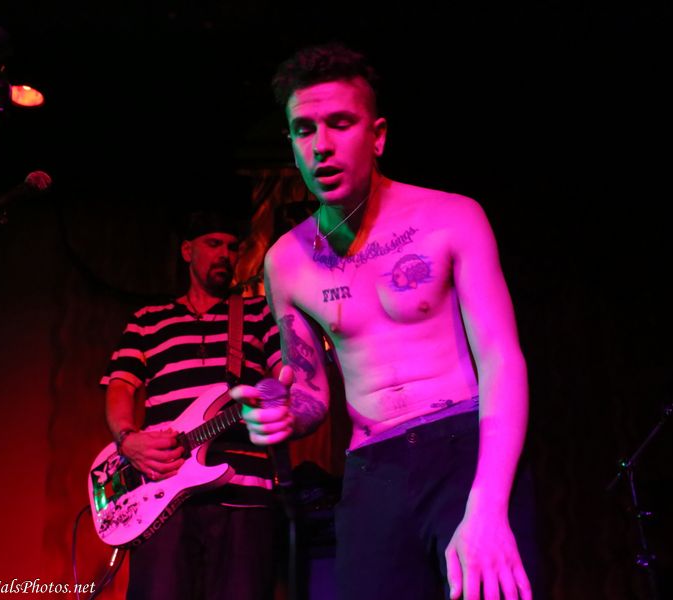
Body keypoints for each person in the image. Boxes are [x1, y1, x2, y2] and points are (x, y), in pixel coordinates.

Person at [231, 43, 541, 600]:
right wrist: (280, 413)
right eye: (304, 130)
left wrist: (488, 506)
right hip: (373, 469)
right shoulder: (285, 262)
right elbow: (311, 394)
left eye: (340, 123)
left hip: (465, 449)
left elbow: (503, 360)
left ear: (377, 136)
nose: (321, 145)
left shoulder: (452, 217)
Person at [100, 203, 283, 600]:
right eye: (213, 244)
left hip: (245, 494)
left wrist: (284, 392)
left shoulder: (258, 314)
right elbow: (120, 387)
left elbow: (289, 377)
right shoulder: (148, 319)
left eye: (232, 247)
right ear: (187, 251)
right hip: (162, 496)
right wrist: (127, 439)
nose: (225, 255)